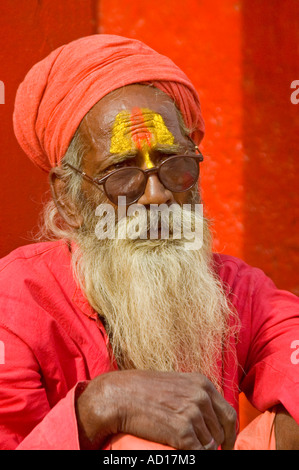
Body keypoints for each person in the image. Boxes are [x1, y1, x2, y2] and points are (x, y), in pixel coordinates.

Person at [0, 34, 298, 451]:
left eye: (175, 164)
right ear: (68, 199)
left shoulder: (232, 288)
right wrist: (100, 406)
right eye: (121, 172)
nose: (157, 195)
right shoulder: (14, 302)